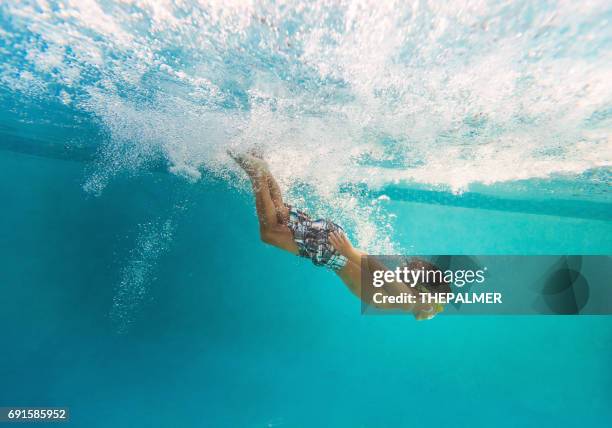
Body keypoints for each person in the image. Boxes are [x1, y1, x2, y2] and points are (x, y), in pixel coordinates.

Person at [229, 150, 449, 320]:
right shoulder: (406, 301)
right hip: (334, 251)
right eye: (435, 307)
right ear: (424, 292)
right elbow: (382, 272)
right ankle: (256, 172)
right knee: (269, 233)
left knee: (279, 214)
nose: (432, 311)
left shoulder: (405, 296)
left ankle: (260, 165)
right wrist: (348, 251)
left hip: (335, 244)